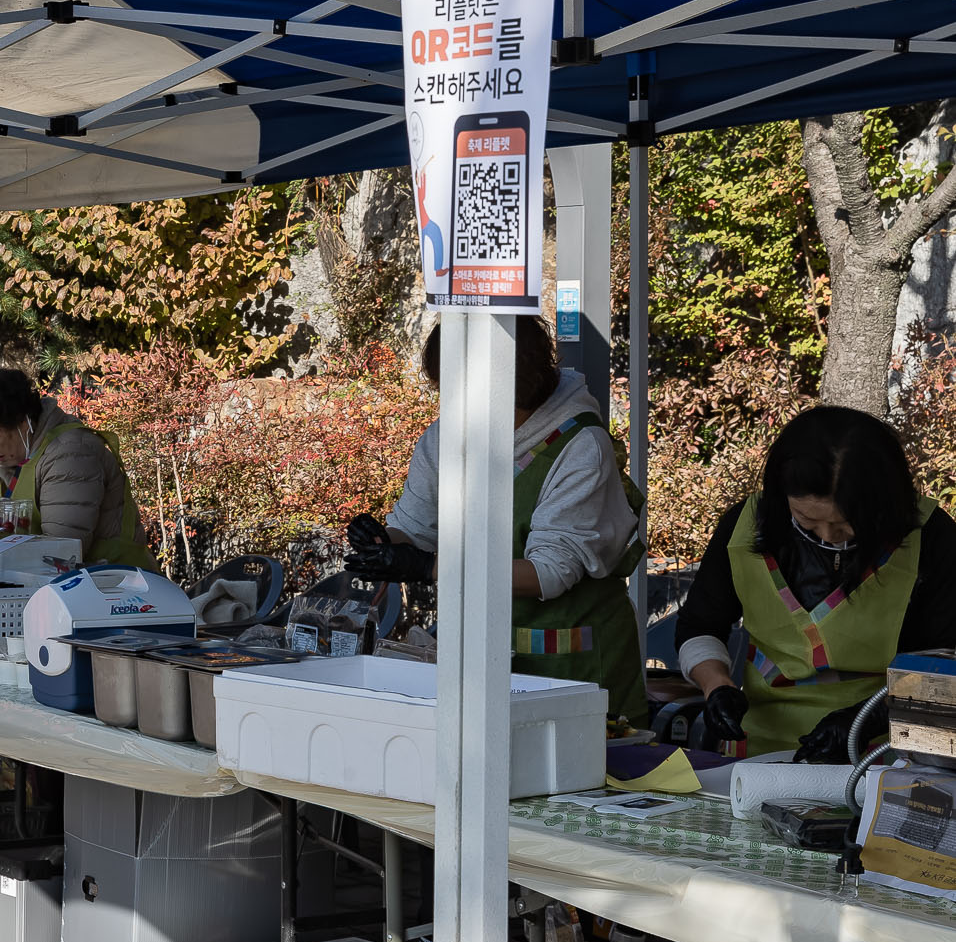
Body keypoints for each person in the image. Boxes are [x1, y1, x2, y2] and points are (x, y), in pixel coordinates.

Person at [345, 319, 647, 725]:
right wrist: (385, 544)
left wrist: (429, 567)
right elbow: (415, 529)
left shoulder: (580, 446)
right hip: (481, 661)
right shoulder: (446, 438)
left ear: (511, 387)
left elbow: (548, 572)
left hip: (575, 669)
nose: (452, 405)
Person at [673, 406, 956, 760]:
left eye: (846, 524)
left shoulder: (931, 538)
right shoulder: (744, 526)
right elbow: (699, 626)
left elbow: (946, 666)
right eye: (807, 519)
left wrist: (865, 720)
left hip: (889, 749)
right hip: (762, 748)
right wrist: (716, 687)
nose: (827, 536)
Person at [0, 366, 152, 565]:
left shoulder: (71, 454)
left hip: (118, 586)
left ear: (20, 422)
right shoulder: (22, 456)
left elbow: (62, 550)